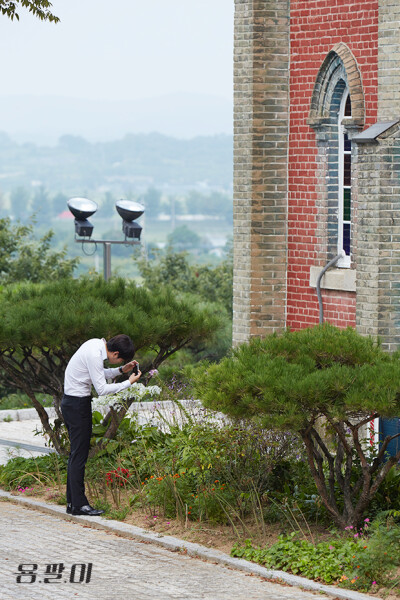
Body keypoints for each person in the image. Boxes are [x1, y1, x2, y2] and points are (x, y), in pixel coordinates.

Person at [61, 334, 141, 516]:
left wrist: (121, 370)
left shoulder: (95, 344)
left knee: (76, 454)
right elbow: (103, 390)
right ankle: (79, 505)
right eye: (119, 359)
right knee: (79, 455)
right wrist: (129, 382)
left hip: (72, 403)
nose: (115, 362)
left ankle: (72, 503)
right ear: (115, 353)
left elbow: (98, 373)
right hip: (77, 405)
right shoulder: (95, 354)